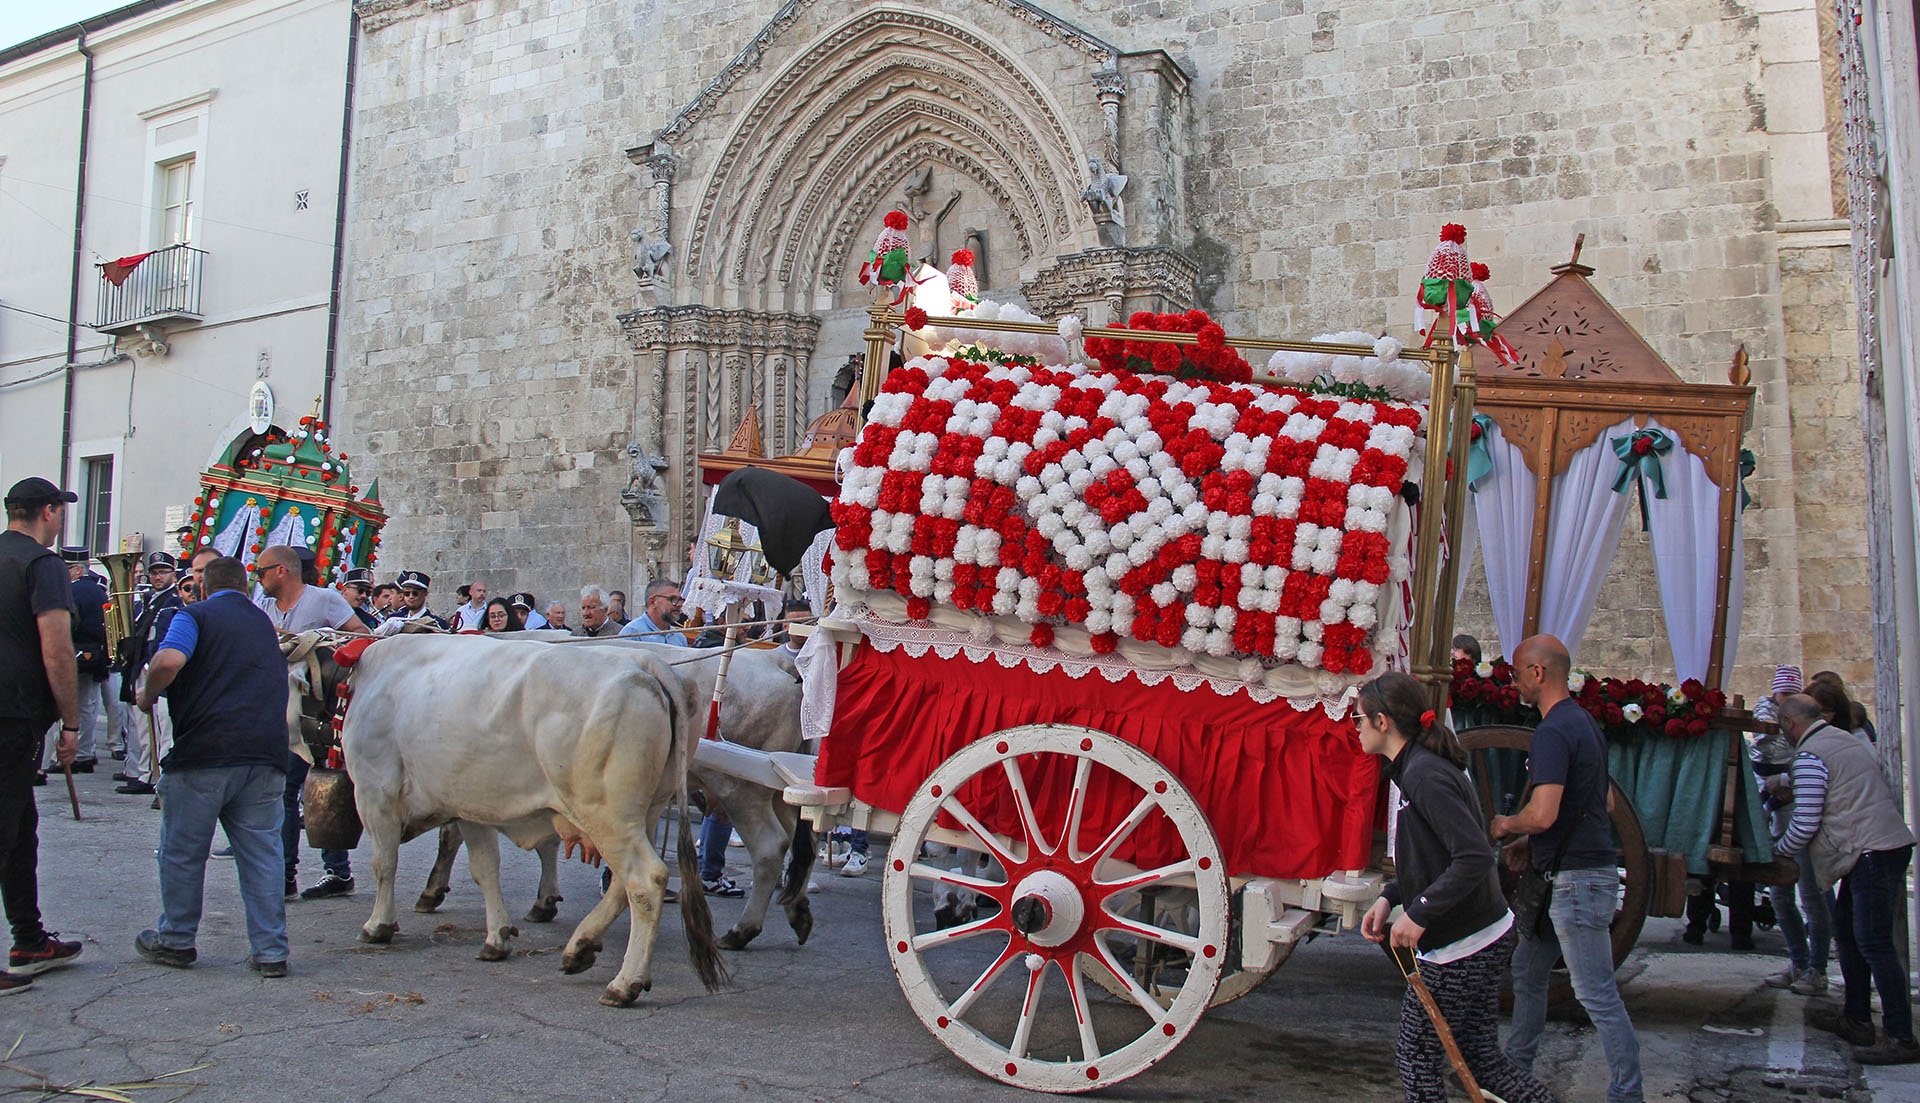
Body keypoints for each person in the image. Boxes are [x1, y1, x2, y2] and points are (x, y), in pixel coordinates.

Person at [1358, 673, 1557, 1103]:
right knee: (1482, 1060)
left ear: (1382, 722)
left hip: (1463, 944)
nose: (1355, 729)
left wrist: (1419, 912)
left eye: (1359, 720)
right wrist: (1391, 897)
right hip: (1481, 935)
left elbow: (1474, 856)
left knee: (1415, 1056)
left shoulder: (1426, 774)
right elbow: (1433, 856)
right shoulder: (1417, 768)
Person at [1490, 634, 1642, 1103]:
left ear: (1539, 673)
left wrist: (1506, 826)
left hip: (1574, 881)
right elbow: (1606, 800)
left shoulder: (1555, 730)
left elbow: (1544, 813)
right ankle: (1516, 1074)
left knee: (1596, 992)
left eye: (1517, 674)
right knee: (1529, 971)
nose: (1513, 683)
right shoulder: (1584, 725)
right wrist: (1531, 842)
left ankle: (1626, 1093)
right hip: (1566, 875)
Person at [132, 556, 290, 976]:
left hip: (204, 751)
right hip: (264, 753)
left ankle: (177, 940)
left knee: (183, 852)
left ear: (205, 587)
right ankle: (271, 950)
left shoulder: (194, 616)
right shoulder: (264, 624)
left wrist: (147, 695)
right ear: (245, 587)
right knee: (262, 855)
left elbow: (168, 662)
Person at [1774, 694, 1918, 1063]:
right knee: (1850, 934)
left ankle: (1901, 1036)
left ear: (1791, 724)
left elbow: (1805, 821)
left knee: (1872, 942)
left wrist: (1779, 850)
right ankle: (1856, 1018)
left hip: (1868, 849)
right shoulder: (1842, 740)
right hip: (1880, 845)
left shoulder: (1810, 755)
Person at [0, 477, 87, 994]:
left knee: (20, 830)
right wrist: (71, 723)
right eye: (59, 511)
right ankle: (27, 939)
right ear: (49, 512)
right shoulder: (41, 565)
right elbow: (57, 648)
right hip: (12, 714)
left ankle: (29, 938)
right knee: (5, 828)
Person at [252, 545, 366, 901]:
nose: (258, 578)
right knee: (285, 792)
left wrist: (316, 644)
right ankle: (289, 874)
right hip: (278, 709)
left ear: (282, 571)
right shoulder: (264, 605)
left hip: (318, 708)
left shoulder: (324, 600)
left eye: (262, 571)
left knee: (323, 784)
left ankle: (334, 871)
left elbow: (361, 636)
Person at [1751, 666, 1833, 996]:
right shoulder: (1769, 715)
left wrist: (1788, 782)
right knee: (1783, 896)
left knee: (1812, 895)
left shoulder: (1816, 742)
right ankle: (1799, 962)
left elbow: (1810, 779)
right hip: (1780, 814)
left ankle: (1817, 969)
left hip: (1798, 820)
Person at [373, 571, 449, 633]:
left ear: (425, 594)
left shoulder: (437, 623)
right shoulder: (395, 619)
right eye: (407, 593)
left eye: (415, 593)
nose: (411, 596)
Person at [617, 579, 687, 643]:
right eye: (672, 599)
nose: (679, 604)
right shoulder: (632, 633)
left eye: (680, 600)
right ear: (653, 602)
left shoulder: (679, 637)